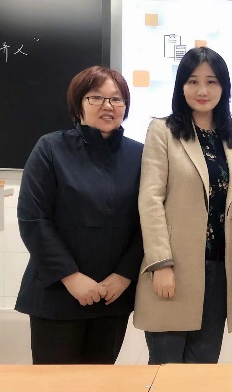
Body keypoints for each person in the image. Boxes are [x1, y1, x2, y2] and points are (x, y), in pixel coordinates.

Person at [15, 66, 143, 364]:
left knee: (99, 384)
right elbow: (33, 218)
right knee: (55, 384)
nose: (108, 106)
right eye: (96, 97)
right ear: (78, 104)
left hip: (112, 294)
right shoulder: (50, 148)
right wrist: (71, 278)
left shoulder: (139, 155)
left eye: (117, 99)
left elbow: (148, 221)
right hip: (57, 292)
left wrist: (124, 275)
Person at [133, 47, 232, 364]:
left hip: (219, 271)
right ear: (181, 86)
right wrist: (160, 263)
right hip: (174, 268)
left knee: (202, 371)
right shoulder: (163, 131)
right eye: (193, 81)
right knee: (166, 370)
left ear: (223, 87)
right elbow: (150, 199)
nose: (202, 90)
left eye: (212, 82)